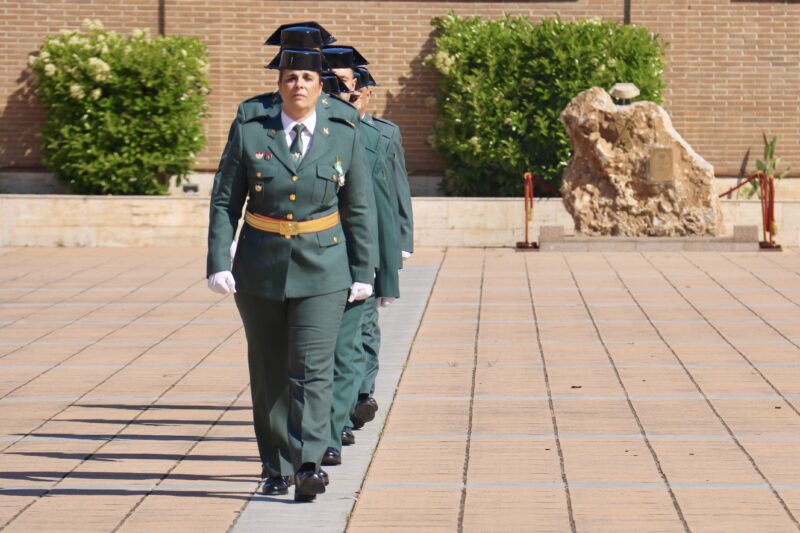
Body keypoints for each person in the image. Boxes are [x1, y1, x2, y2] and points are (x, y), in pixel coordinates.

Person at [206, 23, 375, 502]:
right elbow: (224, 200)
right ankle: (275, 466)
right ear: (279, 85)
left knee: (313, 368)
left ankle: (307, 464)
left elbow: (358, 206)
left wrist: (364, 271)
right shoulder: (251, 125)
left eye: (307, 77)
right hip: (260, 267)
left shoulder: (342, 130)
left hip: (323, 267)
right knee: (270, 370)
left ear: (321, 85)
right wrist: (220, 258)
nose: (297, 84)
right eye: (289, 77)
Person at [320, 46, 401, 467]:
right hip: (312, 255)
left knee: (355, 340)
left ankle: (349, 409)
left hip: (357, 253)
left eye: (344, 86)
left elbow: (385, 203)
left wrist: (392, 254)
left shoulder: (372, 134)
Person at [349, 65, 414, 430]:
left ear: (368, 93)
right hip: (333, 239)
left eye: (353, 91)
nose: (347, 97)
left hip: (372, 240)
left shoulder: (385, 134)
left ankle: (362, 394)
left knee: (367, 323)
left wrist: (401, 240)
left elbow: (397, 189)